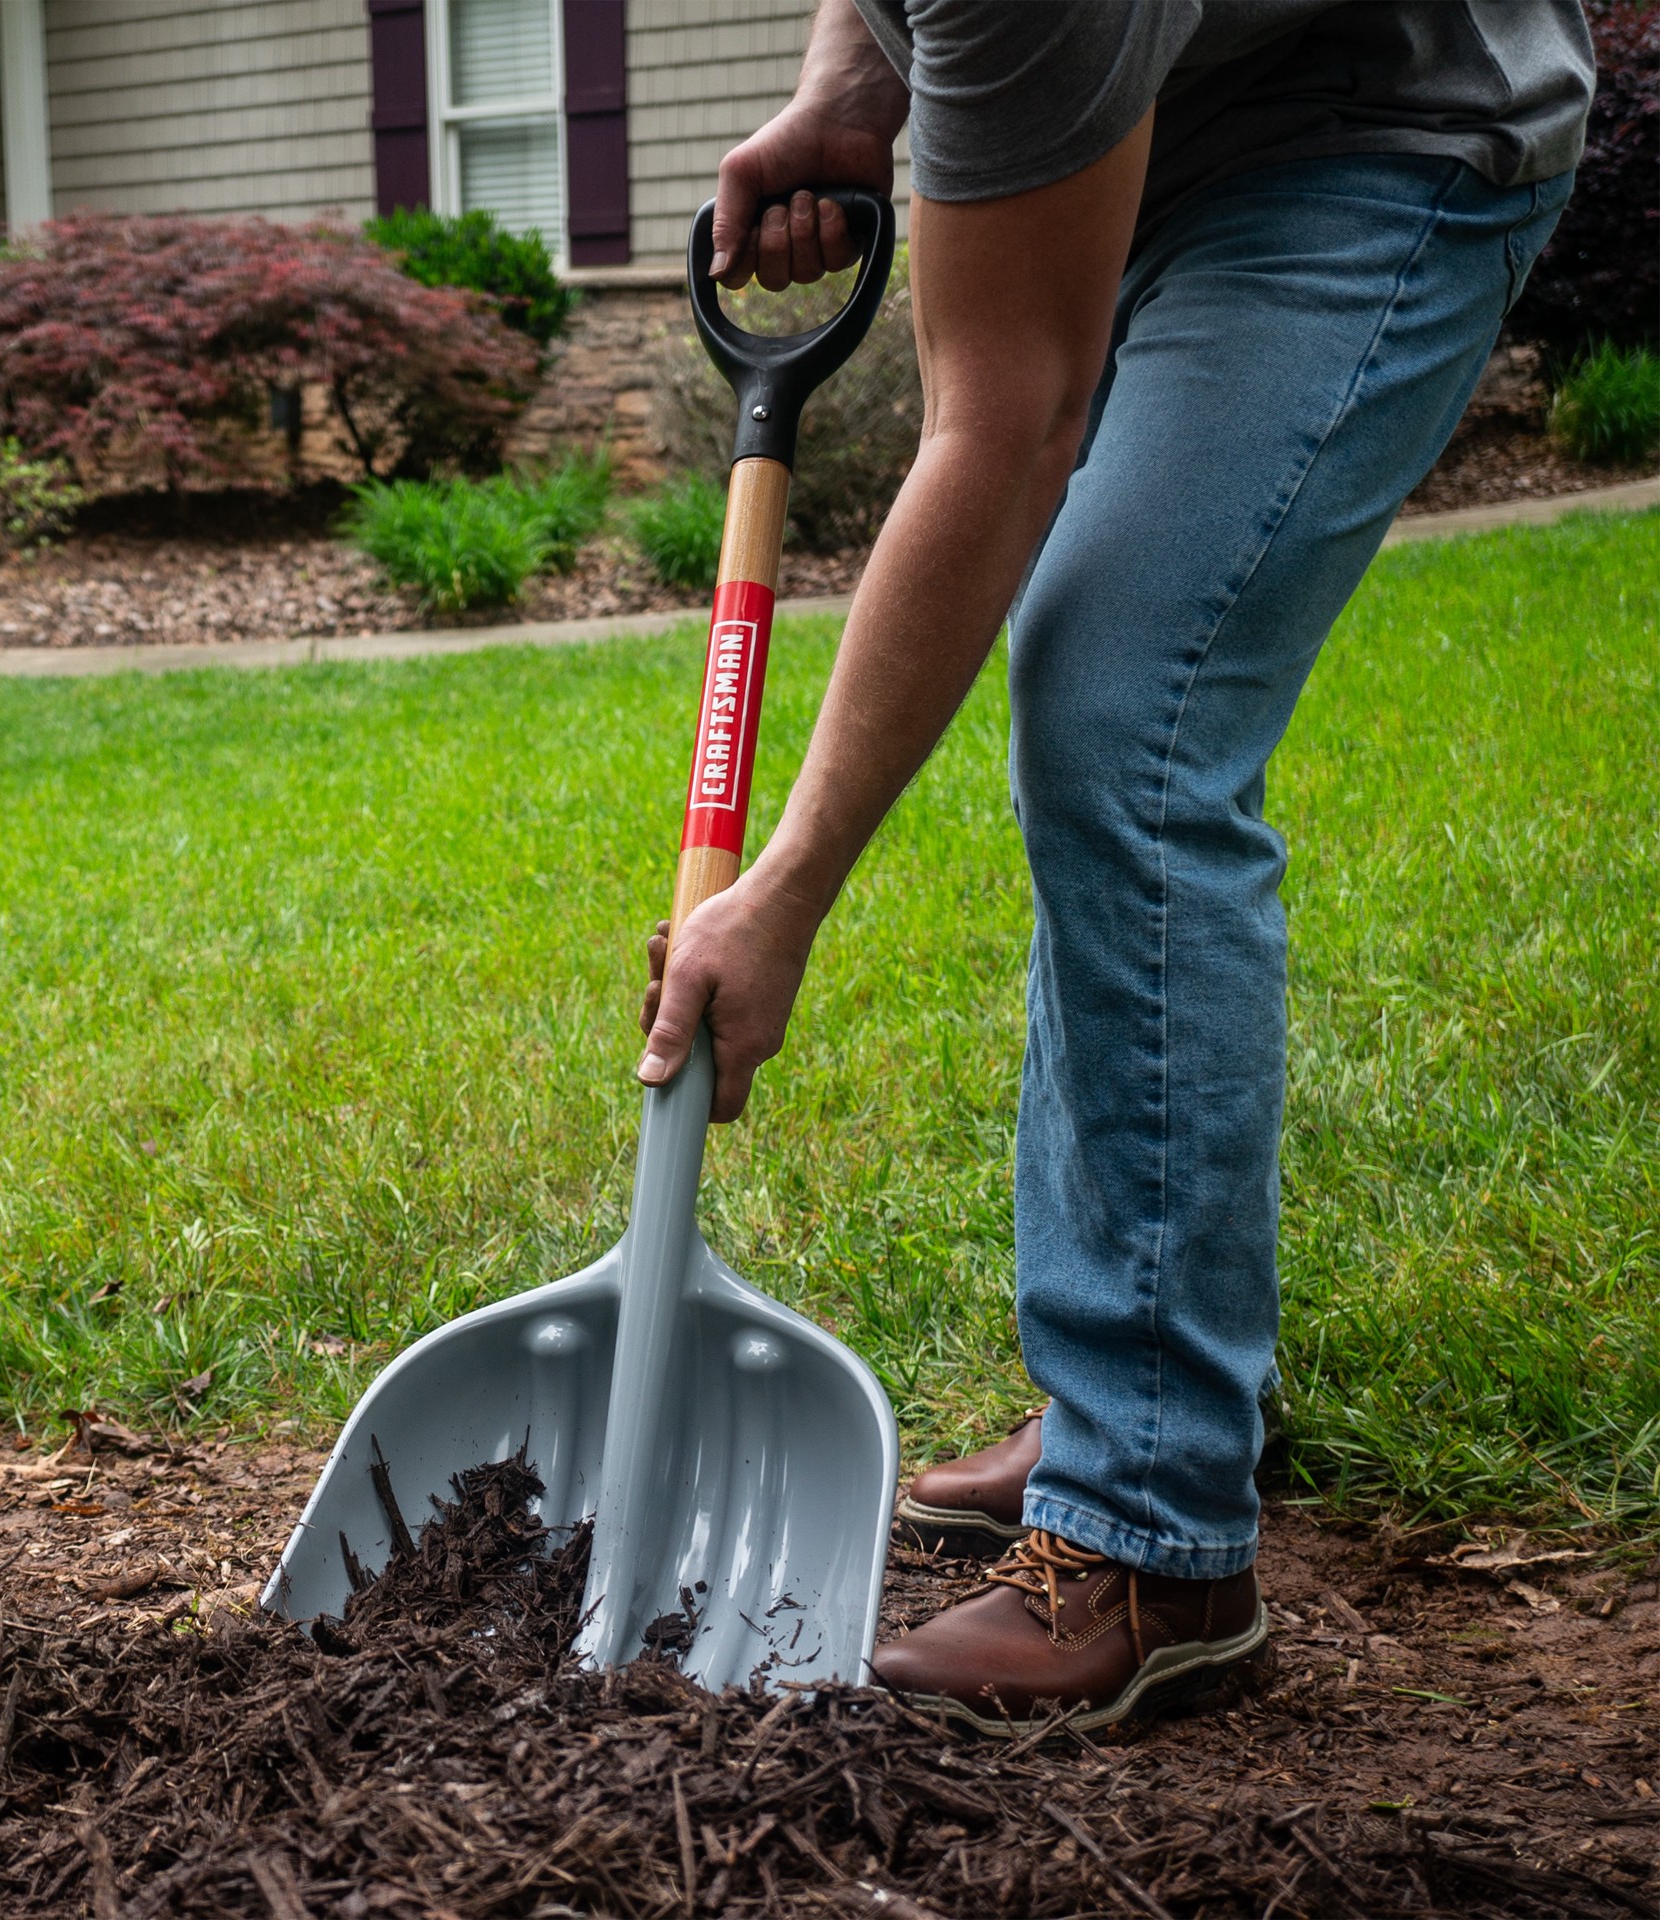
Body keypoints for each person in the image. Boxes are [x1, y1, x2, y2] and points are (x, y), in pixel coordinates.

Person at [637, 0, 1592, 1735]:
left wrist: (784, 887)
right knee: (1104, 704)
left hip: (1372, 140)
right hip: (1170, 132)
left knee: (1121, 706)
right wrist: (847, 82)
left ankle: (1158, 1536)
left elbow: (1006, 425)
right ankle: (1136, 1394)